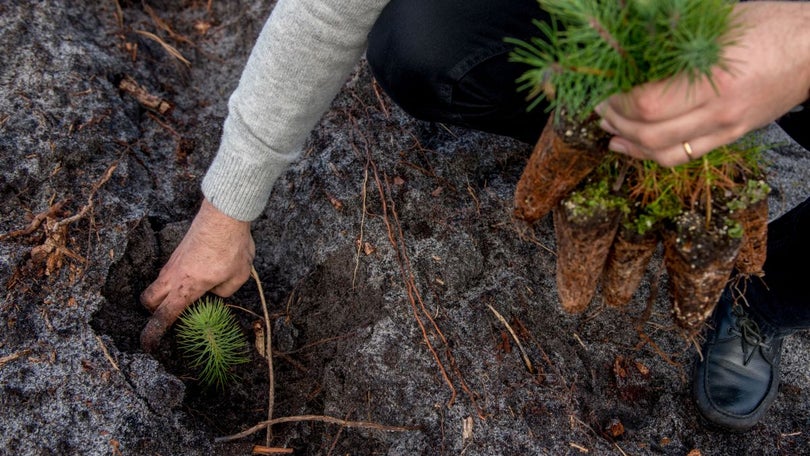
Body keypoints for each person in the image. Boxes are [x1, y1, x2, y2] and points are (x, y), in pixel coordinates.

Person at [140, 0, 810, 432]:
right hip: (615, 25)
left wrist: (799, 41)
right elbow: (326, 11)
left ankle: (766, 298)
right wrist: (227, 209)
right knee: (425, 39)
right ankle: (608, 141)